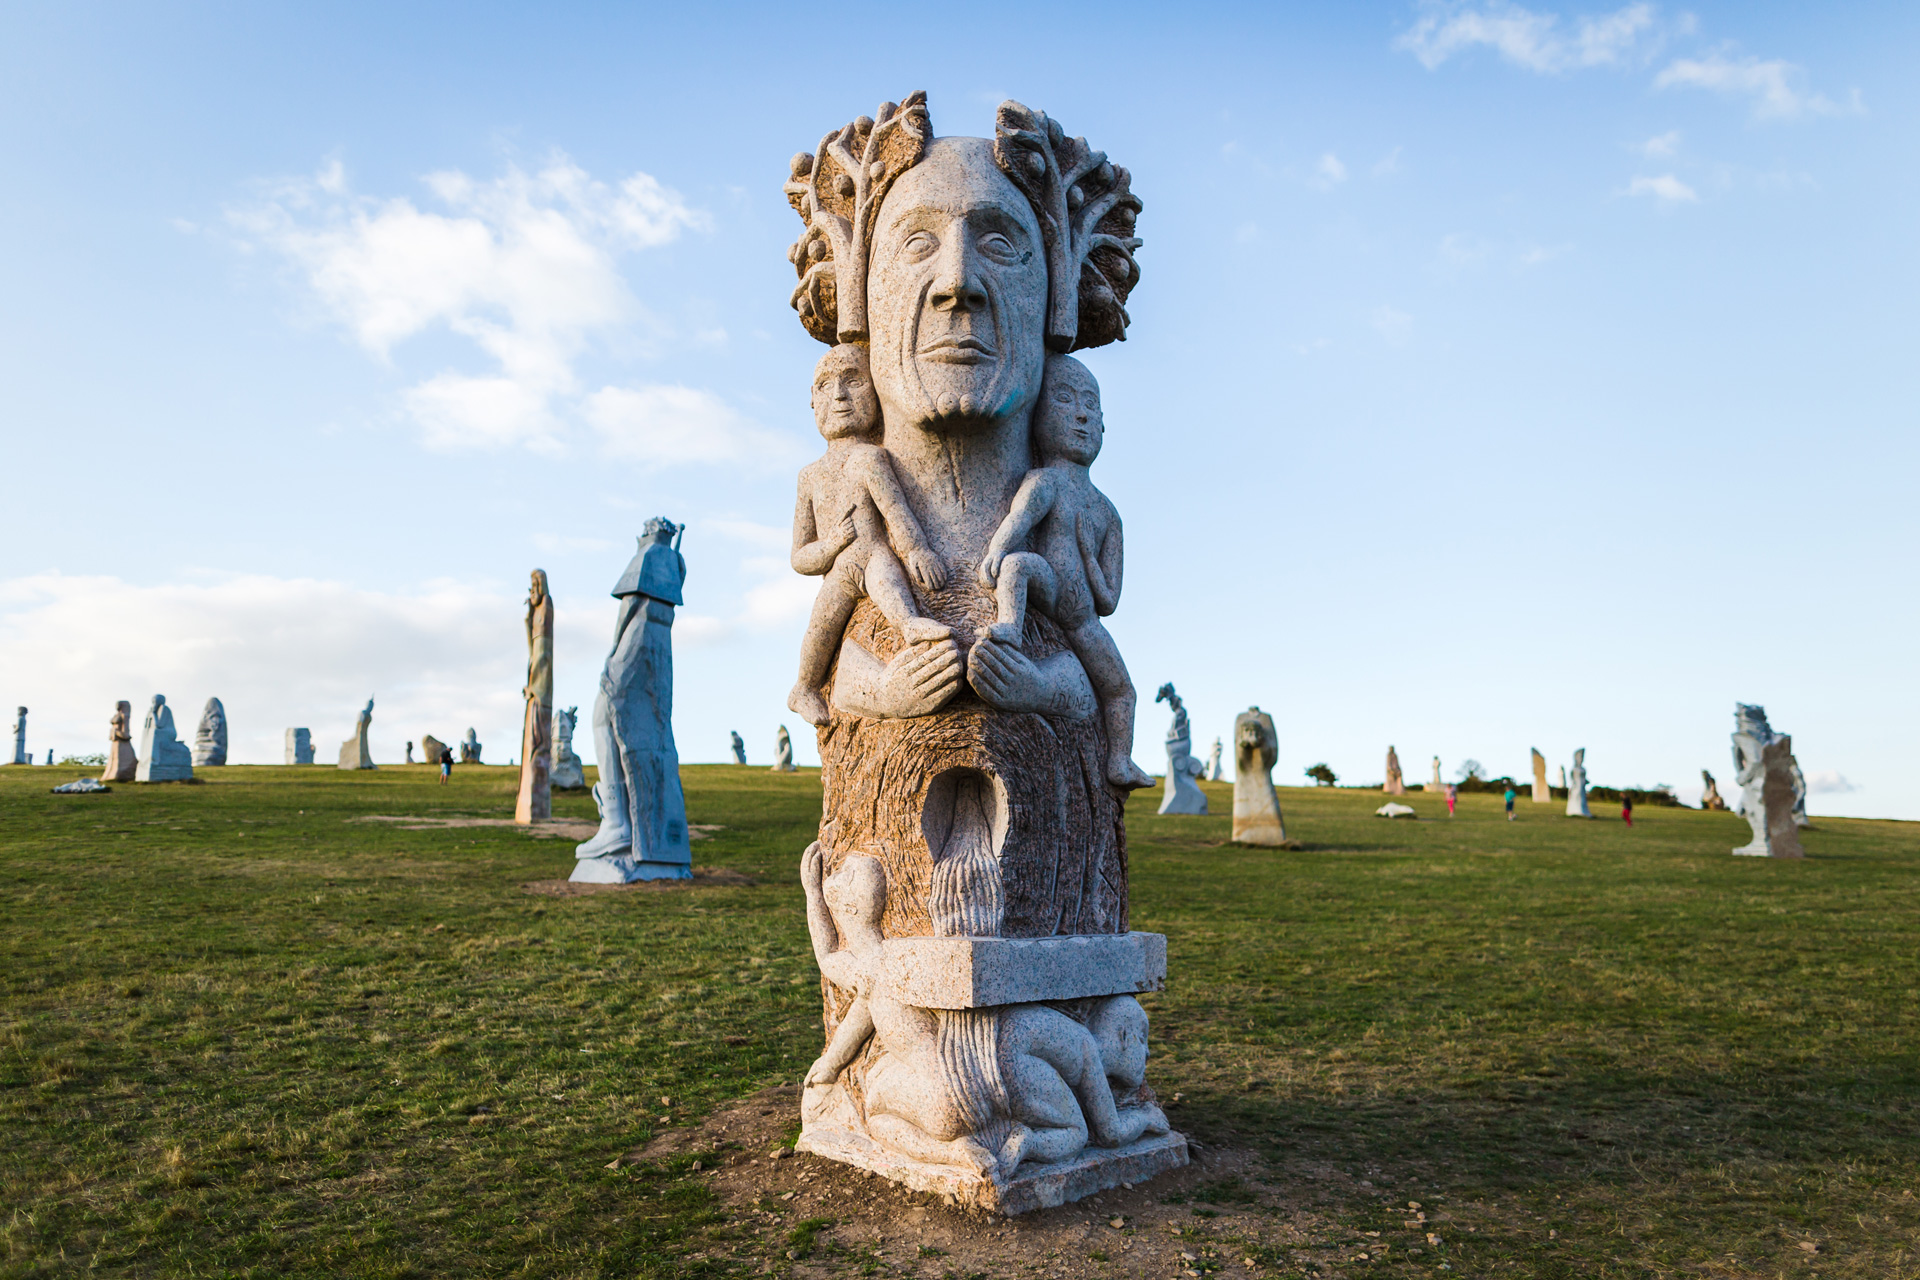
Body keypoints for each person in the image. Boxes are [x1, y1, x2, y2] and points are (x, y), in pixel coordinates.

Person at [977, 354, 1152, 789]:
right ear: (1038, 417)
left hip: (1084, 619)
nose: (1081, 414)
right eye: (1066, 399)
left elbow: (1110, 601)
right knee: (1018, 565)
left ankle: (1119, 760)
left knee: (1122, 690)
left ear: (1104, 427)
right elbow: (1018, 522)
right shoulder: (1045, 482)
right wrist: (996, 551)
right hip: (1048, 584)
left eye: (1091, 406)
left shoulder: (1107, 512)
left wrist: (1090, 565)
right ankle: (1009, 630)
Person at [786, 344, 951, 726]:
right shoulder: (809, 476)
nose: (839, 395)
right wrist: (829, 547)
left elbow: (896, 511)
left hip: (874, 553)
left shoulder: (870, 458)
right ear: (812, 402)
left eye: (853, 381)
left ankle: (909, 624)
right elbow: (799, 557)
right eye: (825, 386)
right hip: (840, 567)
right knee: (821, 623)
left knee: (883, 572)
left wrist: (917, 551)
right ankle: (804, 687)